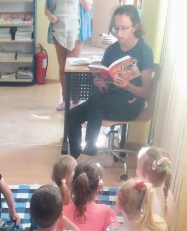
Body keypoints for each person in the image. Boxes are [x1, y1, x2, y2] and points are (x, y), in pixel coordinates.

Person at [66, 4, 154, 158]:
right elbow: (106, 83)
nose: (118, 33)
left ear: (135, 27)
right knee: (72, 116)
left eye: (124, 28)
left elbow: (146, 92)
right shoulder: (112, 50)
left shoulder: (144, 51)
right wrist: (102, 84)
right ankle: (76, 159)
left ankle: (90, 148)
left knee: (96, 100)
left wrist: (128, 86)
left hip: (131, 104)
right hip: (107, 100)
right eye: (116, 28)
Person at [45, 0, 93, 111]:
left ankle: (75, 100)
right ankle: (65, 99)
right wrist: (50, 15)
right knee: (62, 68)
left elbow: (88, 7)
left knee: (73, 69)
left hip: (75, 31)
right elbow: (46, 8)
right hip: (58, 31)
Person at [136, 146, 175, 231]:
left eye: (137, 167)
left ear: (143, 174)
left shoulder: (144, 195)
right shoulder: (167, 191)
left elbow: (134, 225)